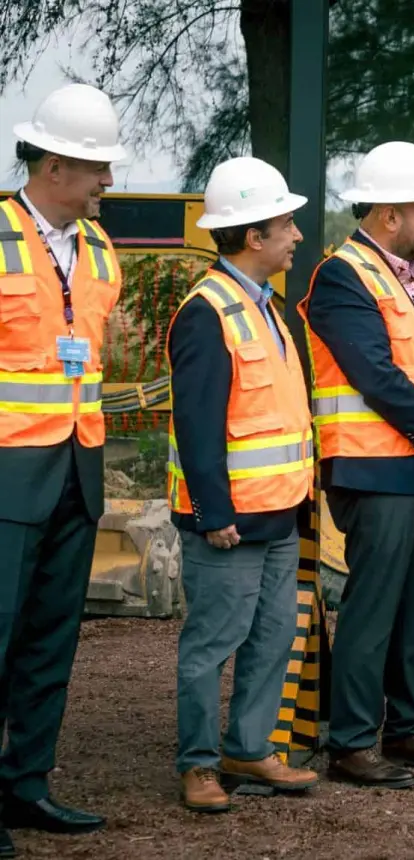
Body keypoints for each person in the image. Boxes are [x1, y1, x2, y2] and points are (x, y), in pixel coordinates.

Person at [300, 141, 414, 788]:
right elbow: (373, 372)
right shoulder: (342, 275)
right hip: (375, 471)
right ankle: (351, 742)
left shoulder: (413, 276)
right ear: (388, 215)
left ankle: (408, 728)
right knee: (373, 608)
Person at [166, 157, 320, 812]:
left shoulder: (264, 308)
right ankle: (199, 764)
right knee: (212, 644)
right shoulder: (208, 313)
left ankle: (249, 747)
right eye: (287, 224)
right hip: (229, 522)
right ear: (254, 235)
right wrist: (213, 510)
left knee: (273, 636)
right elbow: (197, 424)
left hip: (278, 515)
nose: (296, 236)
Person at [0, 82, 128, 850]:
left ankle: (26, 787)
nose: (108, 183)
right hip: (8, 472)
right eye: (97, 169)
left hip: (78, 470)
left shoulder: (100, 248)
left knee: (50, 640)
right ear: (55, 165)